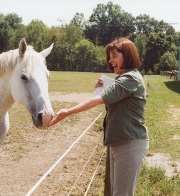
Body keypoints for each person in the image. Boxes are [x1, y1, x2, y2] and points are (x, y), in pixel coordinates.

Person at [49, 37, 149, 196]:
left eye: (114, 56)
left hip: (128, 144)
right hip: (119, 142)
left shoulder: (130, 79)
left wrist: (67, 112)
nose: (110, 61)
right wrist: (105, 86)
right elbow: (119, 100)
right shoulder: (127, 79)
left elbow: (98, 100)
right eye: (110, 57)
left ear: (128, 56)